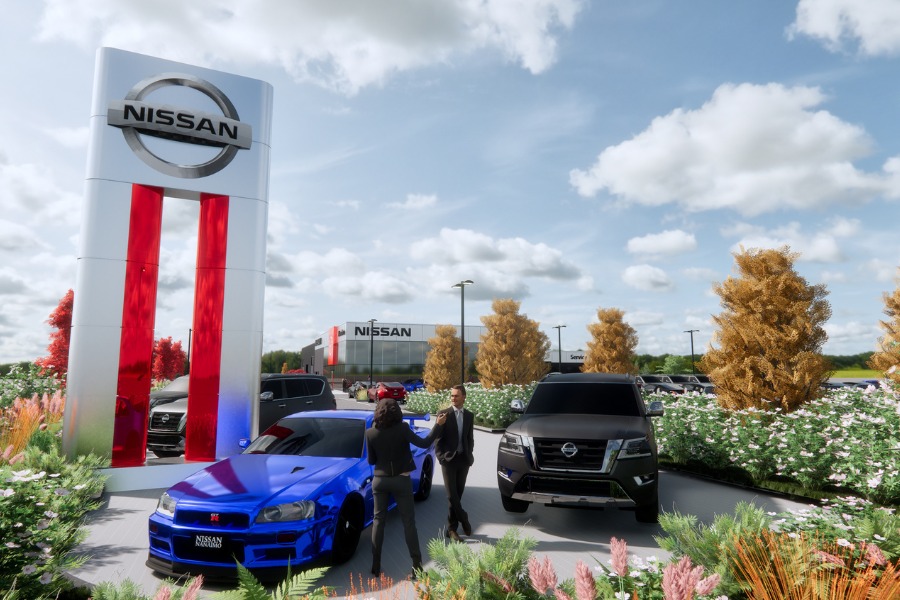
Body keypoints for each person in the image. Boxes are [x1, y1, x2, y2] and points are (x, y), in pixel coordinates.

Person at [365, 398, 447, 578]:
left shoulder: (370, 433)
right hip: (401, 480)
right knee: (409, 523)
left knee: (378, 522)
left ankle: (376, 566)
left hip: (380, 481)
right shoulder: (403, 429)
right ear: (397, 412)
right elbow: (425, 443)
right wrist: (438, 425)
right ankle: (417, 567)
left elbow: (371, 461)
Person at [434, 384, 475, 542]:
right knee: (452, 496)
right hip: (448, 461)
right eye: (451, 395)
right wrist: (441, 458)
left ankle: (451, 529)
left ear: (464, 397)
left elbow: (470, 438)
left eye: (456, 395)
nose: (453, 398)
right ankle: (463, 518)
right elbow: (438, 439)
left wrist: (469, 454)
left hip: (463, 461)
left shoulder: (469, 416)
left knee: (458, 495)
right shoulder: (443, 414)